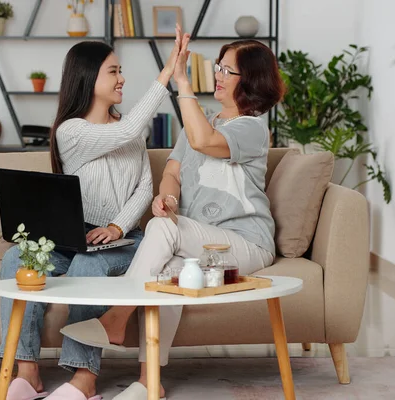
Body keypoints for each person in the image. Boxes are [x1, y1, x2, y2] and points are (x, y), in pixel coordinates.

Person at [61, 31, 286, 400]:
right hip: (202, 241)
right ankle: (150, 380)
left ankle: (115, 319)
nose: (218, 74)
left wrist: (181, 78)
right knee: (165, 274)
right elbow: (173, 173)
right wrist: (167, 199)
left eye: (227, 71)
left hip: (246, 242)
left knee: (163, 231)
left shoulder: (252, 128)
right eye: (219, 67)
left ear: (250, 82)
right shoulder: (200, 118)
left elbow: (203, 141)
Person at [0, 29, 184, 400]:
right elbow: (129, 128)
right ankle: (27, 370)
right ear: (88, 79)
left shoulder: (131, 132)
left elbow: (143, 190)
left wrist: (117, 226)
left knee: (90, 267)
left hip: (125, 239)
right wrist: (168, 71)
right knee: (15, 257)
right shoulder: (71, 131)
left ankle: (84, 377)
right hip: (74, 237)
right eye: (113, 71)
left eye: (121, 70)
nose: (122, 79)